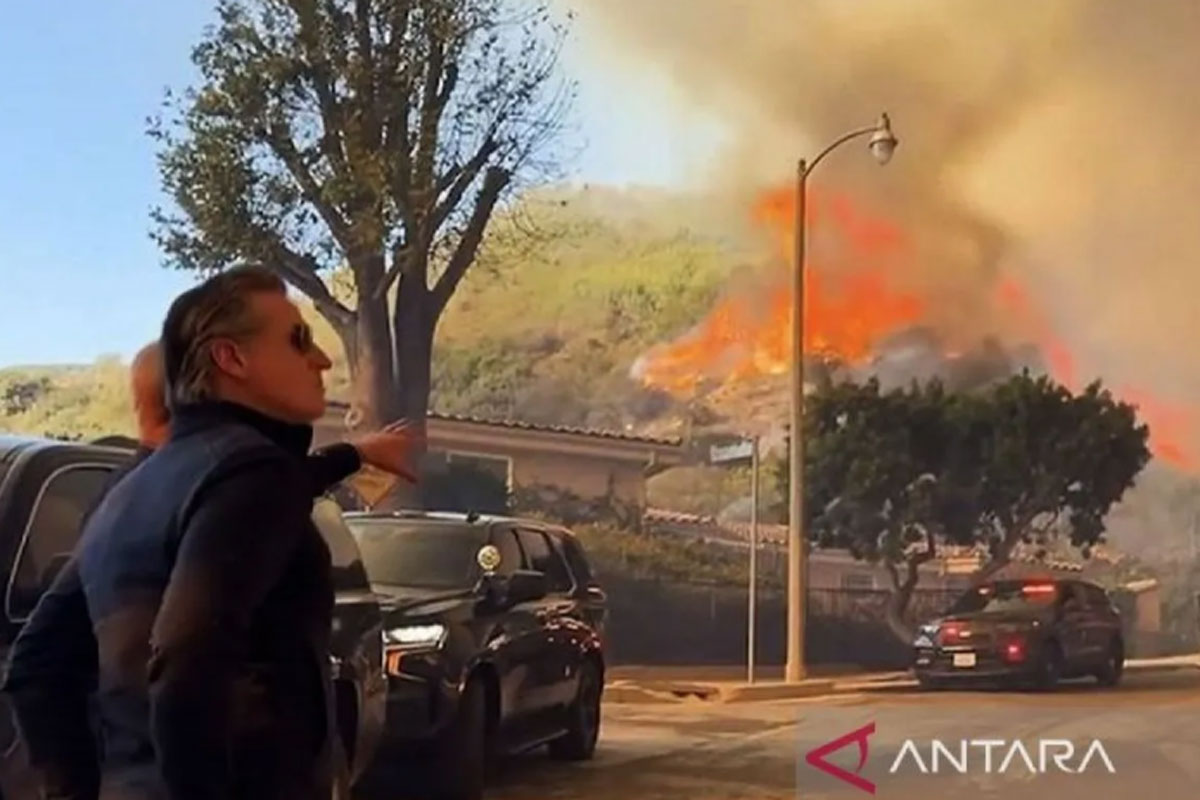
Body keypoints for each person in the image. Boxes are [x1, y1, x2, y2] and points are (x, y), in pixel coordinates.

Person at [10, 267, 415, 799]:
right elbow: (186, 655)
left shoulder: (129, 491)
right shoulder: (253, 470)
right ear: (231, 359)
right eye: (298, 340)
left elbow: (36, 662)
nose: (321, 358)